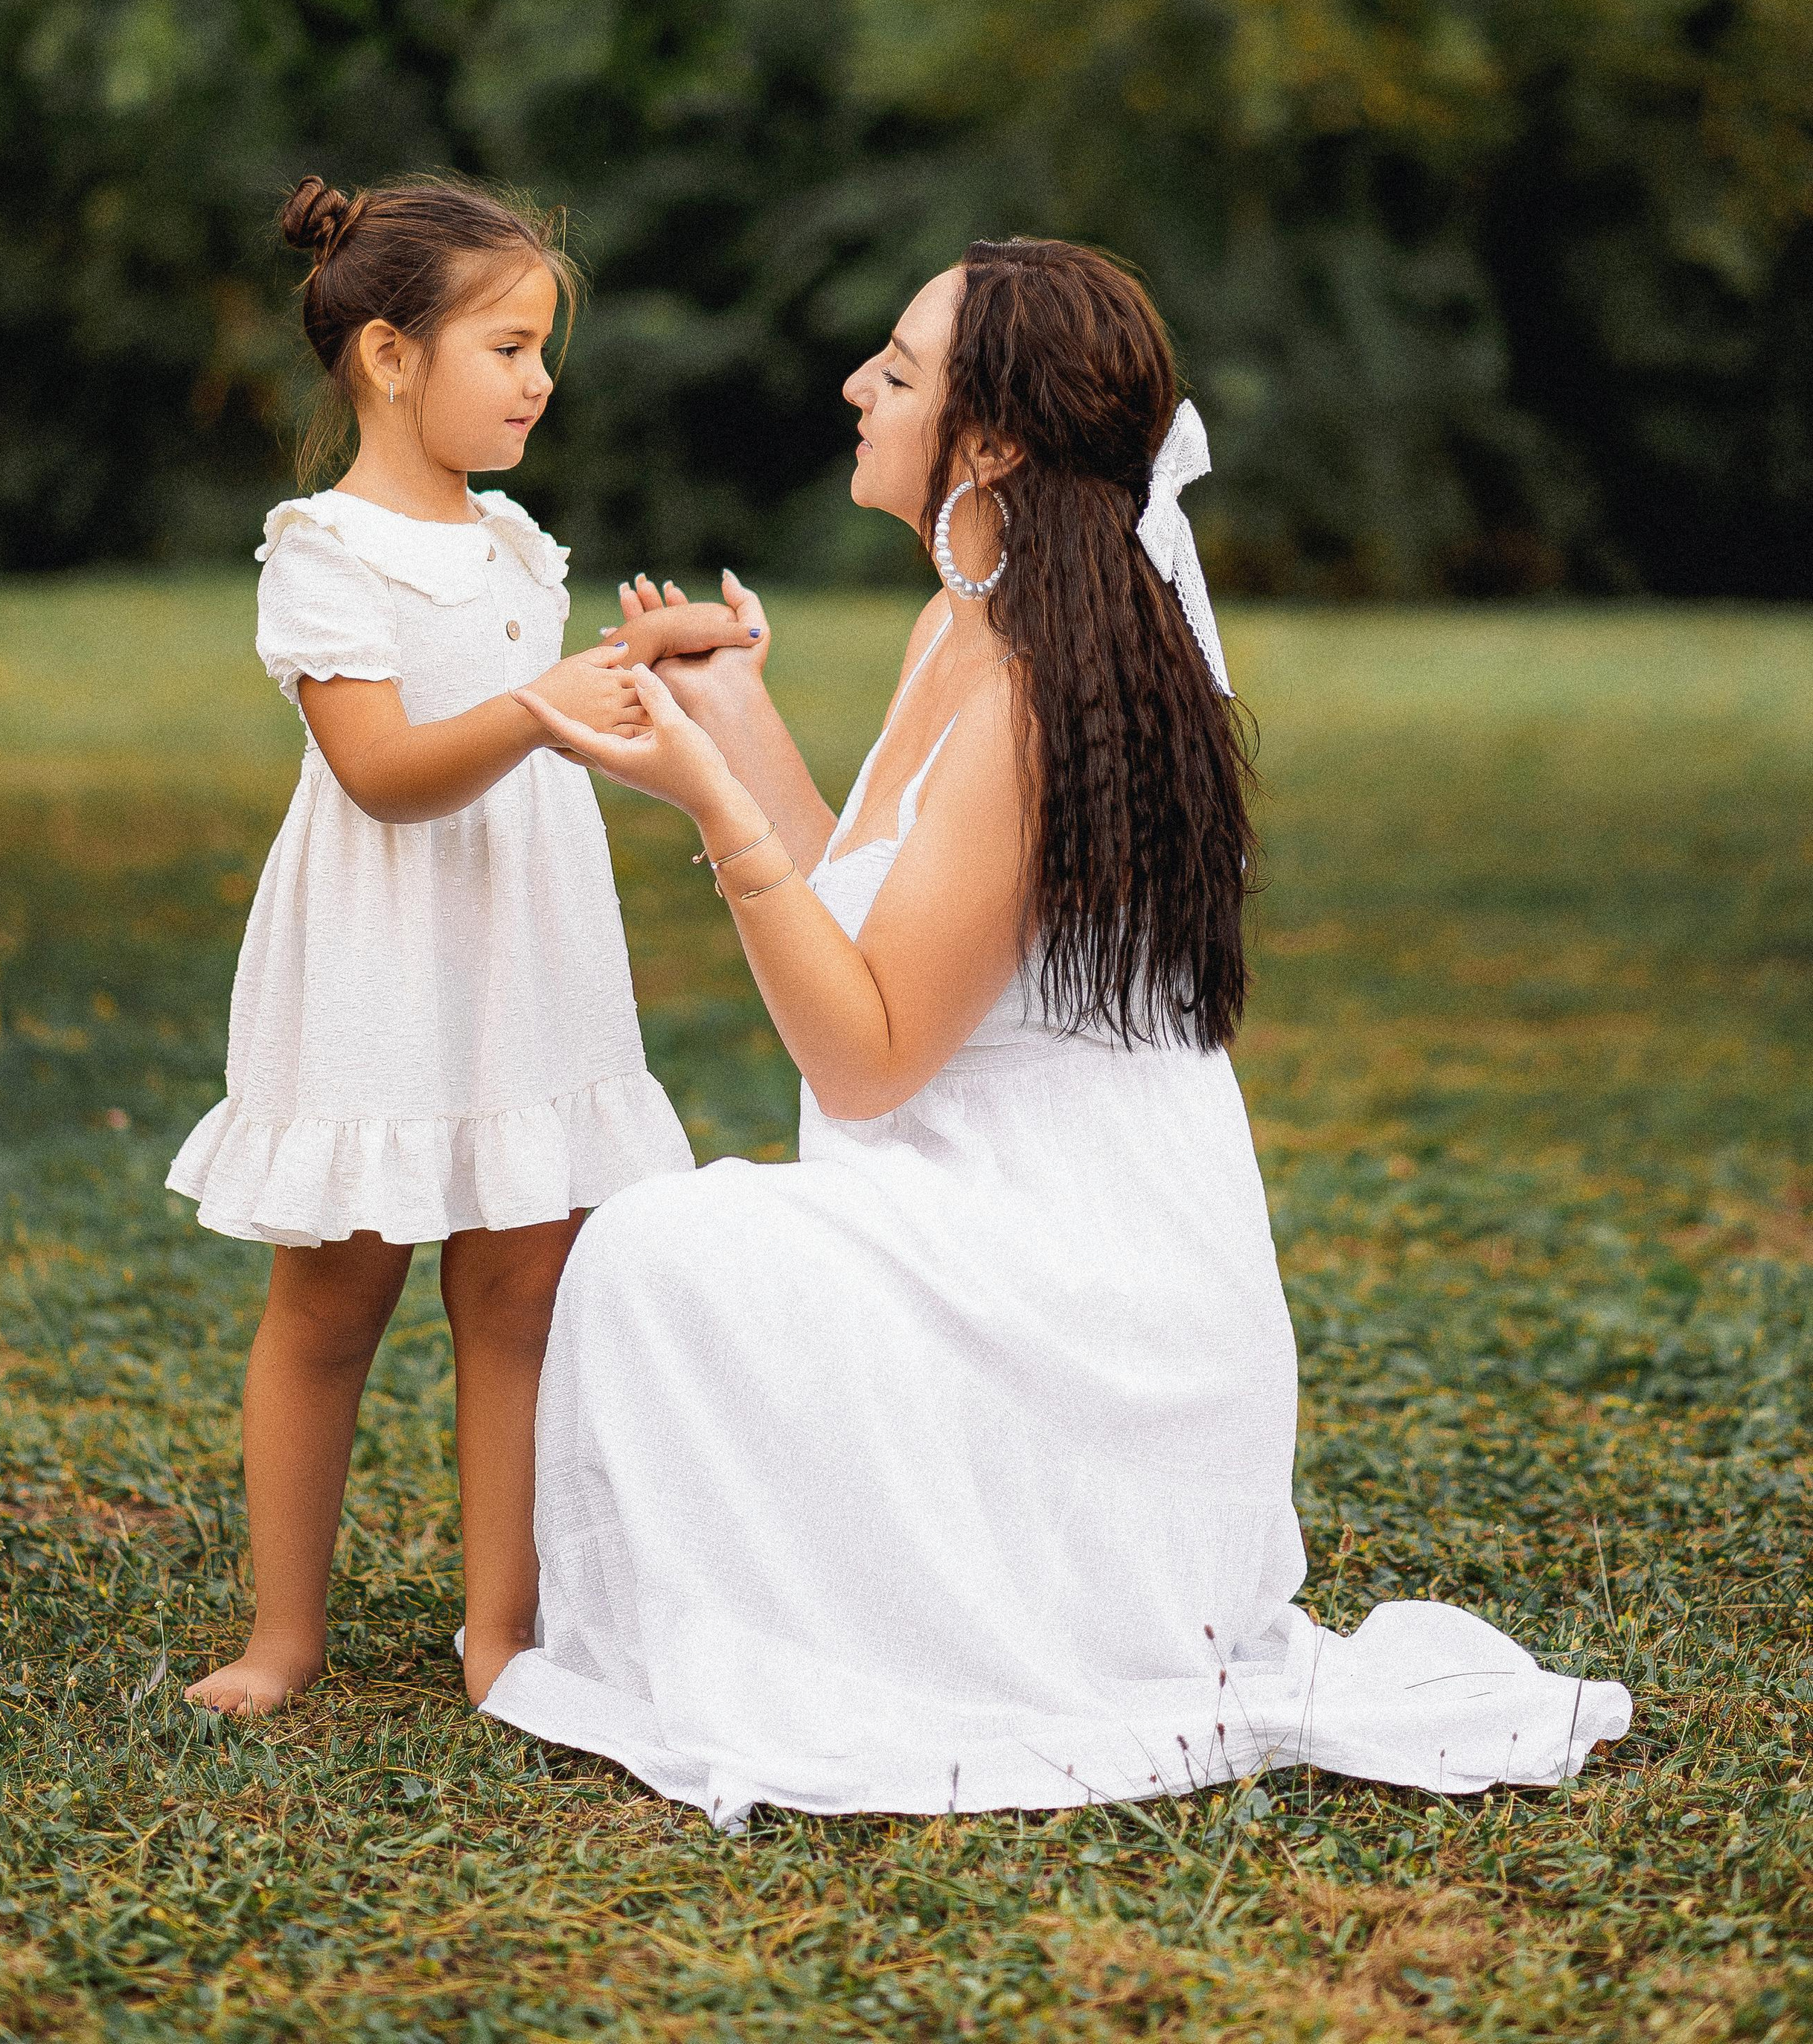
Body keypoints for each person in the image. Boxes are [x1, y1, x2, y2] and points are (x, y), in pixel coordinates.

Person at [486, 235, 1631, 1825]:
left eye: (894, 369)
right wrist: (735, 720)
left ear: (995, 439)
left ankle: (907, 1630)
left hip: (1079, 1305)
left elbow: (866, 1052)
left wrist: (703, 808)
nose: (854, 387)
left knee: (662, 1251)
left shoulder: (1032, 683)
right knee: (673, 1250)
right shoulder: (964, 623)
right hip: (969, 1222)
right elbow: (884, 922)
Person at [167, 173, 755, 1714]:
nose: (539, 377)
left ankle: (500, 1633)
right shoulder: (323, 549)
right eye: (506, 345)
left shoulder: (515, 542)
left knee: (519, 1294)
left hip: (524, 955)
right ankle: (283, 1636)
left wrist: (640, 675)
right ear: (387, 356)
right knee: (332, 1300)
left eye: (541, 346)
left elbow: (541, 740)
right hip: (380, 960)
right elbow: (382, 770)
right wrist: (545, 701)